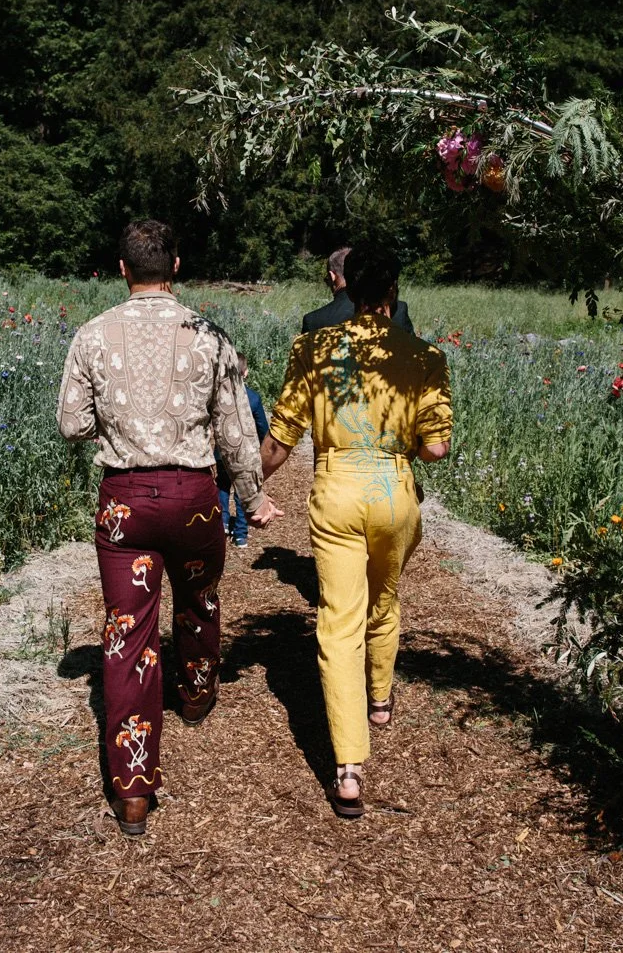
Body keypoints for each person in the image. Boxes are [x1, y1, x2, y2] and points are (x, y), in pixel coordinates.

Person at [57, 219, 282, 836]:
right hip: (194, 498)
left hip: (126, 501)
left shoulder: (93, 334)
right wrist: (253, 495)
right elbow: (237, 429)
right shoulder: (210, 336)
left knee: (128, 632)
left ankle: (132, 791)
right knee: (199, 597)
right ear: (176, 265)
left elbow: (72, 424)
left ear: (124, 268)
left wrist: (117, 424)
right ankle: (197, 692)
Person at [261, 246, 451, 818]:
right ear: (392, 292)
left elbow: (281, 437)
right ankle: (381, 698)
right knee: (384, 595)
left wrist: (245, 484)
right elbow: (436, 448)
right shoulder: (424, 355)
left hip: (337, 488)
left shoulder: (313, 348)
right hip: (394, 491)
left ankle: (347, 768)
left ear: (347, 288)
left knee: (338, 620)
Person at [215, 353, 269, 548]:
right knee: (241, 491)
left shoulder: (219, 395)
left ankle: (222, 523)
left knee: (222, 485)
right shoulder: (253, 398)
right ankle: (240, 535)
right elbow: (262, 426)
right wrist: (262, 447)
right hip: (244, 452)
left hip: (222, 451)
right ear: (245, 373)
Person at [301, 246, 414, 335]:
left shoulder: (314, 321)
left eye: (327, 280)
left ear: (332, 277)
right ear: (392, 292)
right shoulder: (399, 310)